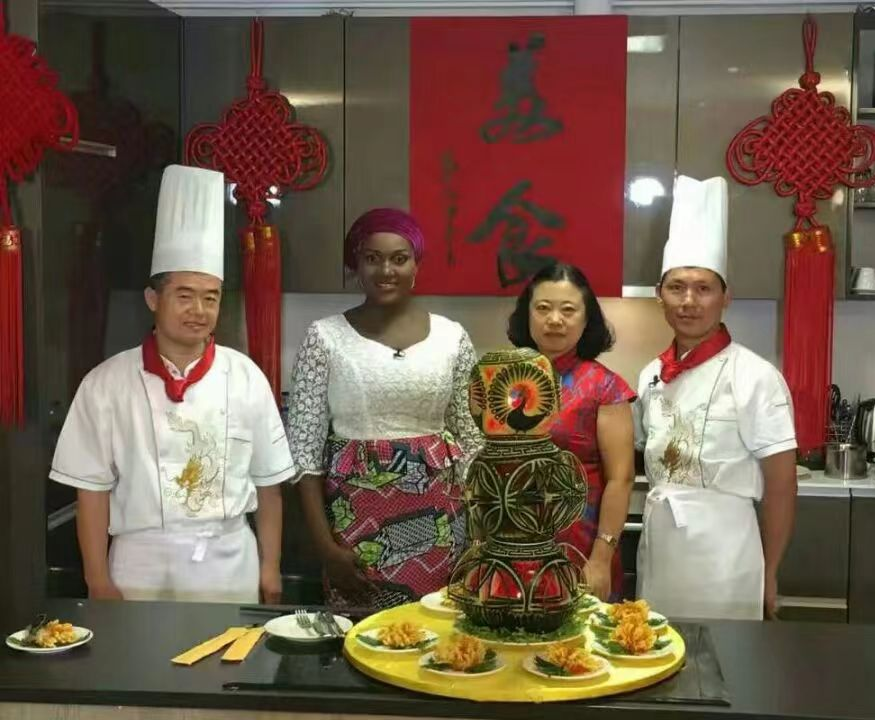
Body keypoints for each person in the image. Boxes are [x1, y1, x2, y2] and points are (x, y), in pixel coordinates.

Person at [50, 165, 293, 603]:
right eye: (184, 296)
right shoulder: (106, 384)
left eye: (210, 297)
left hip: (229, 563)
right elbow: (91, 491)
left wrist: (270, 568)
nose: (198, 310)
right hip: (138, 568)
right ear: (153, 299)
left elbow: (269, 486)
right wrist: (97, 580)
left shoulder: (246, 377)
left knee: (230, 651)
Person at [288, 208, 483, 611]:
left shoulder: (452, 337)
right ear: (356, 266)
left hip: (443, 521)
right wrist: (326, 549)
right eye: (372, 258)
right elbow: (304, 457)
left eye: (399, 258)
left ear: (416, 265)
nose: (386, 270)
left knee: (437, 633)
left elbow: (471, 441)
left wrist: (478, 535)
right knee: (360, 635)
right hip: (353, 526)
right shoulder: (324, 337)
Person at [634, 175, 797, 621]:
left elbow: (782, 485)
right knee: (655, 650)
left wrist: (770, 572)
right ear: (659, 297)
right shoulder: (651, 375)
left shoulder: (755, 376)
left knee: (727, 659)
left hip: (727, 559)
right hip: (661, 552)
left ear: (726, 298)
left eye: (703, 288)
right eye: (676, 287)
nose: (689, 301)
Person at [507, 263, 636, 601]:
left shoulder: (605, 387)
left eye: (568, 310)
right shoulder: (505, 380)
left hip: (581, 547)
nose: (554, 320)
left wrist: (601, 558)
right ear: (527, 315)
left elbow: (620, 479)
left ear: (586, 318)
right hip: (510, 545)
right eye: (543, 308)